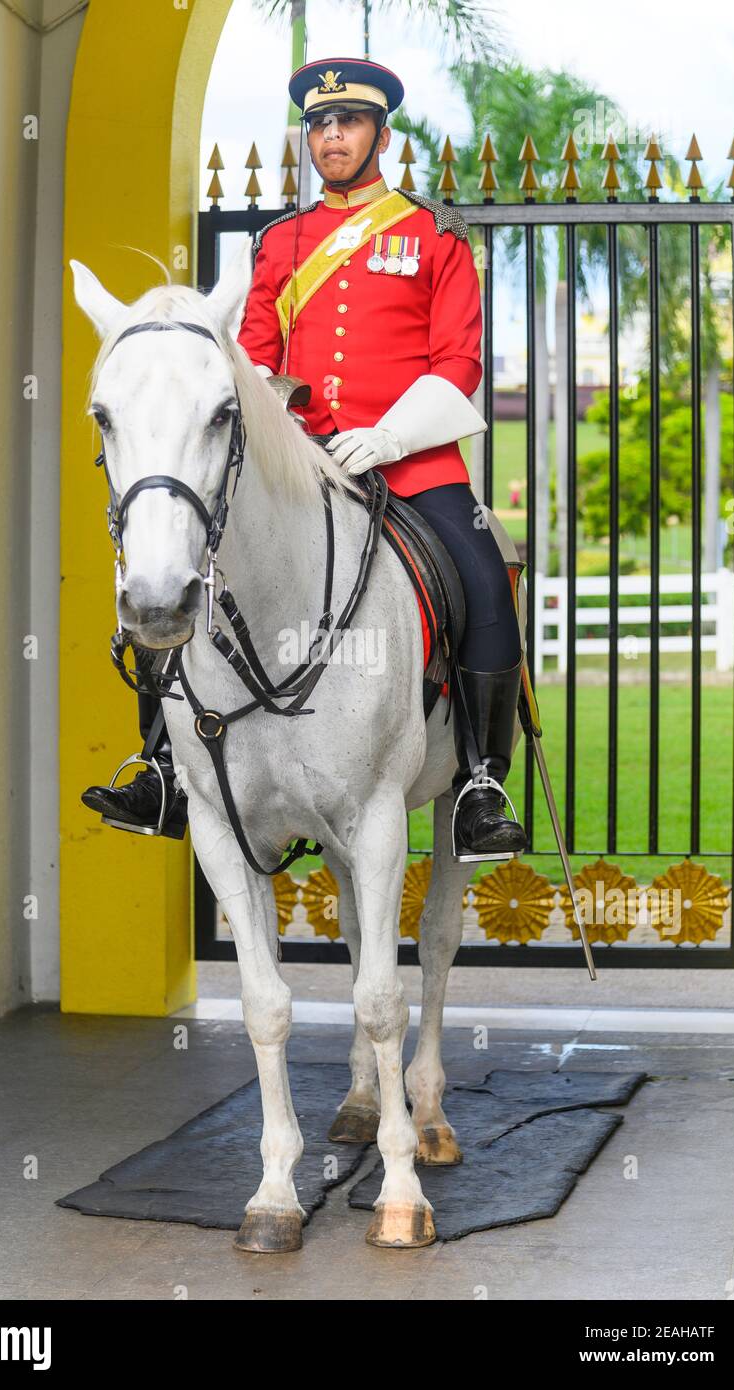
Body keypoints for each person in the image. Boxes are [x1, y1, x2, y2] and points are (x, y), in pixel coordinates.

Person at [82, 55, 526, 857]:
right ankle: (163, 767)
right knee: (175, 566)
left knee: (483, 574)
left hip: (412, 465)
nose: (332, 136)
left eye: (348, 122)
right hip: (300, 466)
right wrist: (289, 428)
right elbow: (249, 361)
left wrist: (390, 436)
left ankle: (480, 780)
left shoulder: (433, 236)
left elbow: (458, 362)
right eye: (319, 125)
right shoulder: (279, 244)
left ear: (380, 132)